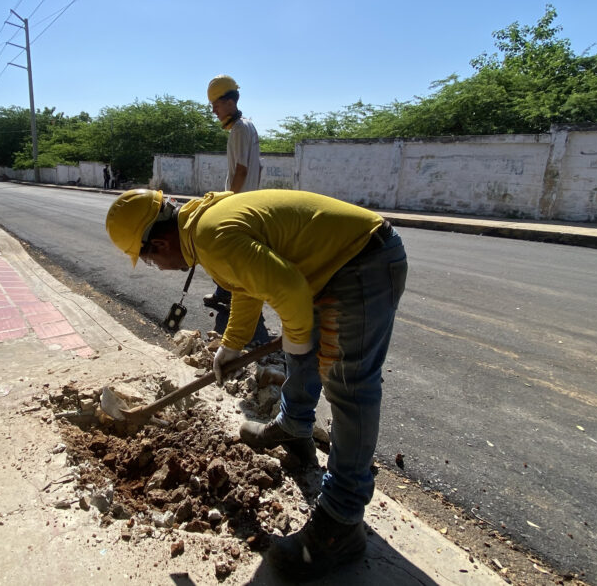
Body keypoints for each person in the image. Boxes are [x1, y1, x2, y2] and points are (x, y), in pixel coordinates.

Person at [105, 188, 408, 578]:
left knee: (350, 384)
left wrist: (298, 347)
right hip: (333, 264)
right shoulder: (204, 227)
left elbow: (291, 292)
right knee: (302, 337)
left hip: (363, 261)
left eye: (148, 260)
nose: (157, 267)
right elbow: (245, 284)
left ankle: (342, 521)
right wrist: (231, 346)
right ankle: (294, 427)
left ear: (161, 243)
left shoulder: (213, 235)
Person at [203, 74, 262, 310]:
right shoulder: (249, 126)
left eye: (216, 106)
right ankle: (231, 294)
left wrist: (228, 201)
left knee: (224, 251)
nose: (215, 111)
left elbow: (241, 170)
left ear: (229, 102)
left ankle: (232, 295)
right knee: (235, 253)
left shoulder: (238, 129)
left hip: (238, 202)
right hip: (248, 200)